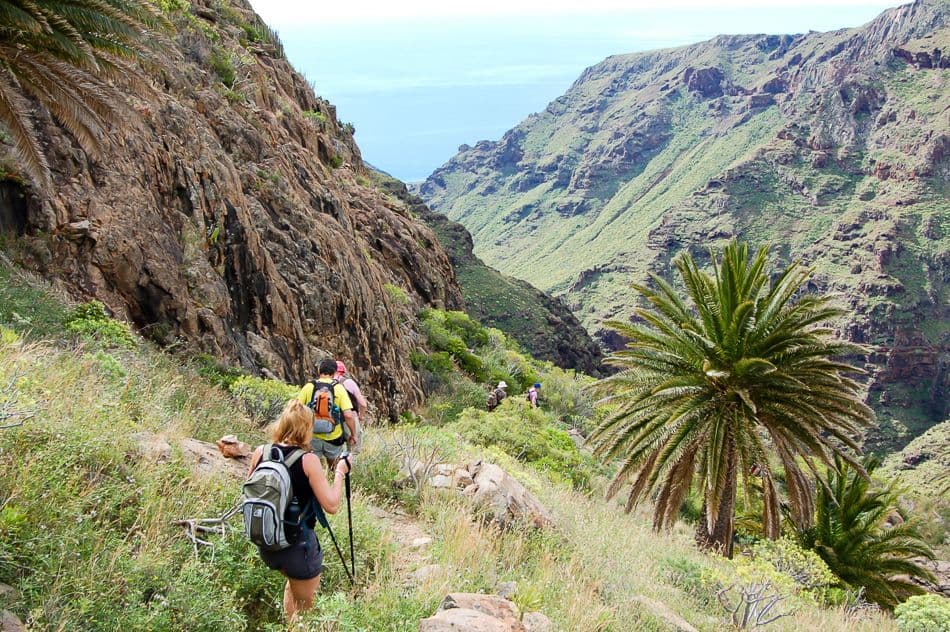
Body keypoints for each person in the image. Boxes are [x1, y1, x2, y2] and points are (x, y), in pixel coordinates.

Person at [246, 399, 352, 622]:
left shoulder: (261, 452)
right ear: (306, 428)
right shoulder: (308, 460)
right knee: (307, 613)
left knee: (292, 585)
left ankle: (289, 625)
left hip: (267, 543)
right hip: (297, 547)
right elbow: (332, 505)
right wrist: (340, 472)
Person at [298, 358, 357, 467]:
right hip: (333, 436)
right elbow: (348, 415)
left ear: (319, 371)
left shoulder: (309, 386)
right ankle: (334, 477)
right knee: (335, 467)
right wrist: (353, 434)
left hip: (312, 435)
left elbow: (296, 409)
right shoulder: (339, 388)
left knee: (312, 467)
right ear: (334, 372)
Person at [335, 360, 367, 454]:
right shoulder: (348, 382)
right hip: (350, 418)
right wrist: (361, 416)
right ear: (343, 371)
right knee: (353, 451)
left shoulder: (328, 384)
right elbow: (363, 404)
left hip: (332, 420)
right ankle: (350, 462)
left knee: (335, 453)